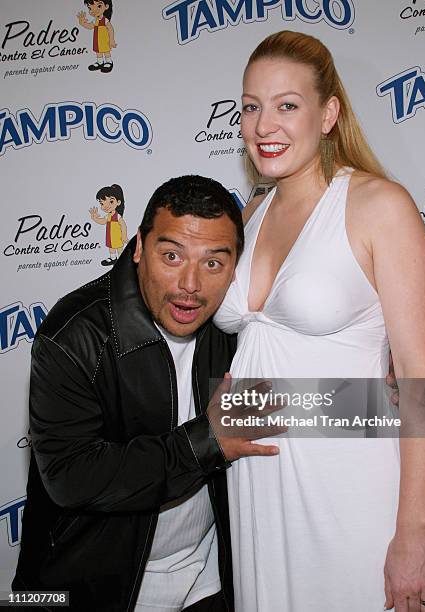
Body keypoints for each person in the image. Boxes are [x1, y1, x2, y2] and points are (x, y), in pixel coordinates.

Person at [213, 31, 425, 611]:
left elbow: (420, 376)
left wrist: (415, 532)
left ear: (328, 114)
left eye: (287, 105)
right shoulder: (249, 213)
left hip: (350, 485)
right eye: (251, 106)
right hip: (259, 488)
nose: (265, 125)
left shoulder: (379, 206)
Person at [13, 175, 281, 612]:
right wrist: (207, 442)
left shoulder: (231, 324)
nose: (190, 284)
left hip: (210, 577)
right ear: (139, 247)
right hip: (96, 590)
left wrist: (393, 397)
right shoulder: (75, 334)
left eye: (214, 263)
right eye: (171, 256)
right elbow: (70, 475)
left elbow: (288, 402)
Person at [89, 183, 128, 266]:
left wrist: (124, 236)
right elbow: (103, 221)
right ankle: (113, 258)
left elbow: (123, 225)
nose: (106, 206)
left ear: (118, 202)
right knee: (111, 247)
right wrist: (94, 218)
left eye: (111, 201)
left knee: (119, 248)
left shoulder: (117, 216)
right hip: (110, 236)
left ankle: (122, 258)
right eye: (102, 203)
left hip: (117, 236)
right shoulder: (108, 216)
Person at [77, 0, 116, 73]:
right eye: (90, 8)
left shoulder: (105, 20)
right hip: (97, 39)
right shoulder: (95, 20)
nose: (94, 10)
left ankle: (109, 62)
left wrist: (111, 40)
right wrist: (82, 23)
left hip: (104, 39)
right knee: (98, 51)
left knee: (106, 51)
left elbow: (110, 29)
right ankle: (100, 62)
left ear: (106, 6)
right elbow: (90, 26)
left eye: (99, 6)